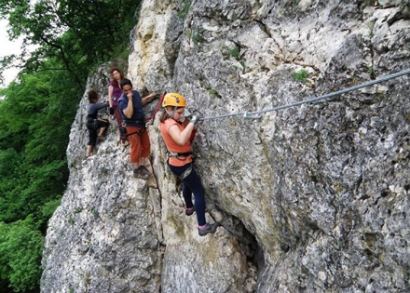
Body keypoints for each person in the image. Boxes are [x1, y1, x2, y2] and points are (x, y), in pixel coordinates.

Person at [159, 93, 219, 236]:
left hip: (175, 162)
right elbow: (180, 139)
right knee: (198, 190)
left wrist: (186, 120)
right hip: (181, 163)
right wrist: (192, 122)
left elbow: (181, 126)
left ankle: (189, 208)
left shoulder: (164, 121)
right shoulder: (171, 124)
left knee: (187, 184)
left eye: (182, 111)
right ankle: (202, 227)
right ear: (169, 109)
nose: (181, 114)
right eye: (179, 112)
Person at [118, 78, 156, 179]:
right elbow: (129, 114)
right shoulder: (122, 100)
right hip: (131, 126)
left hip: (141, 124)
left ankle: (142, 166)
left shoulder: (135, 93)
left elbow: (140, 102)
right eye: (126, 90)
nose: (129, 92)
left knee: (146, 145)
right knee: (136, 147)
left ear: (132, 87)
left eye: (130, 89)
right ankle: (136, 169)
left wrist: (150, 97)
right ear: (122, 90)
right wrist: (129, 99)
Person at [108, 67, 128, 146]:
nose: (116, 75)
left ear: (119, 73)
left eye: (116, 73)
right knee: (120, 121)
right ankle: (124, 139)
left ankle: (130, 135)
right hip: (116, 104)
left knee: (127, 119)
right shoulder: (112, 84)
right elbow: (109, 96)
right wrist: (111, 107)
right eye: (114, 74)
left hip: (125, 102)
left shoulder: (124, 81)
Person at [86, 90, 109, 157]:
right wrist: (109, 102)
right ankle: (100, 134)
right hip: (92, 123)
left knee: (91, 140)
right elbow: (104, 105)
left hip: (89, 124)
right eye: (97, 98)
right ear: (94, 99)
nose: (97, 99)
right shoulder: (94, 106)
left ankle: (87, 155)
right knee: (105, 122)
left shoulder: (89, 105)